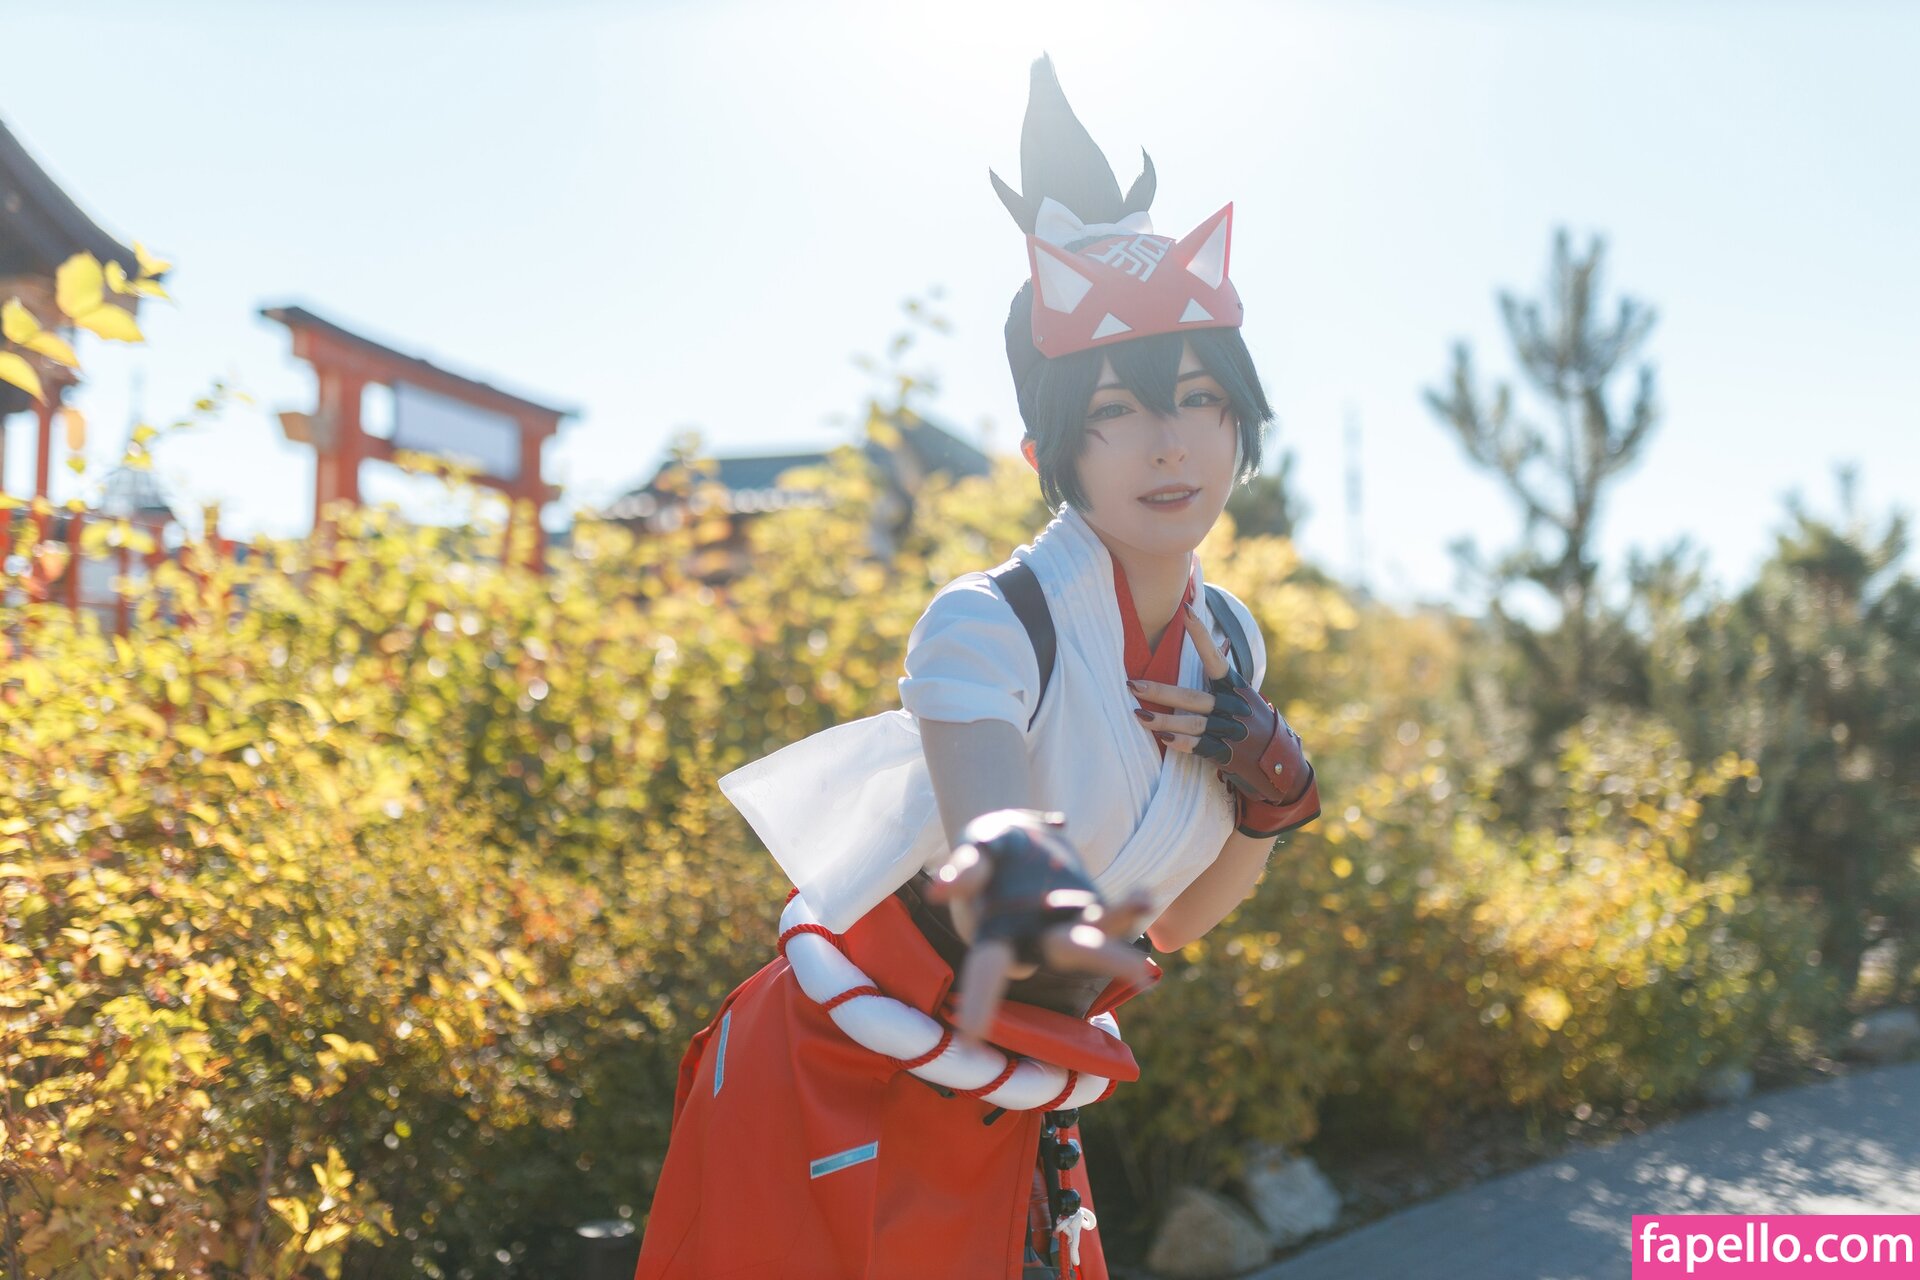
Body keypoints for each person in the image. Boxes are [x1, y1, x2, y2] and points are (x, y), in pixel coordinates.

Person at [634, 55, 1321, 1280]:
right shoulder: (990, 622)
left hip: (1002, 1097)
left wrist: (1273, 794)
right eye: (1112, 411)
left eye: (1200, 398)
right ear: (1046, 449)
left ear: (1242, 419)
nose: (1169, 443)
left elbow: (1175, 922)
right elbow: (996, 858)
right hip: (836, 1075)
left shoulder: (1232, 642)